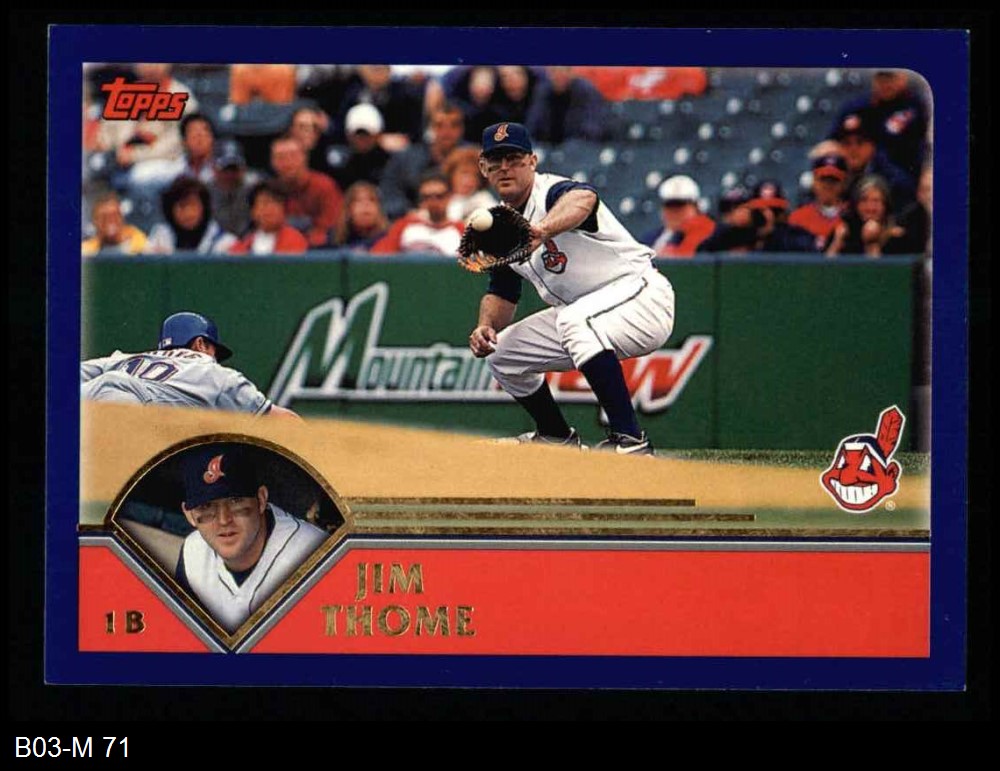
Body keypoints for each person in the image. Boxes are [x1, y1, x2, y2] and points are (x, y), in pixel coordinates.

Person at [468, 122, 675, 455]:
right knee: (503, 354)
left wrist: (543, 230)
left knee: (575, 320)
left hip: (641, 297)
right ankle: (556, 436)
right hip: (586, 316)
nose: (504, 167)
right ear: (483, 167)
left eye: (514, 158)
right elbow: (503, 292)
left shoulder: (550, 192)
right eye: (496, 159)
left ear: (532, 161)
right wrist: (486, 326)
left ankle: (631, 440)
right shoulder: (502, 226)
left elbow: (584, 198)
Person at [175, 443, 327, 632]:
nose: (224, 520)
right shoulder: (193, 554)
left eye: (235, 500)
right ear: (189, 515)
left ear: (261, 500)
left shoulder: (314, 554)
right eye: (206, 506)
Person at [81, 310, 299, 417]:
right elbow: (281, 420)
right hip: (130, 412)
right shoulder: (214, 374)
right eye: (215, 351)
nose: (215, 358)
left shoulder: (126, 359)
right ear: (200, 343)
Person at [829, 69, 928, 179]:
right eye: (881, 79)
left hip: (904, 172)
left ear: (903, 77)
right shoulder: (858, 107)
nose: (885, 84)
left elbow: (924, 145)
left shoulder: (916, 106)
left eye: (890, 79)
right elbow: (830, 143)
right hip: (865, 172)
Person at [379, 102, 467, 219]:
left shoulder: (473, 159)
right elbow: (390, 194)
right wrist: (408, 212)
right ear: (430, 128)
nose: (447, 131)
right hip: (412, 218)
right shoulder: (405, 159)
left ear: (462, 129)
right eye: (440, 125)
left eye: (454, 125)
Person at [697, 180, 817, 254]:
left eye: (775, 211)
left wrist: (771, 234)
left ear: (784, 213)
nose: (768, 215)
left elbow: (809, 255)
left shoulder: (795, 235)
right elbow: (703, 252)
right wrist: (732, 226)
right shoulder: (738, 234)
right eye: (761, 210)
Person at [270, 135, 344, 248]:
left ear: (304, 157)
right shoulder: (269, 191)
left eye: (293, 156)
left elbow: (331, 228)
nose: (287, 162)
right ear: (272, 162)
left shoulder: (324, 186)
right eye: (281, 157)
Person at [371, 173, 465, 256]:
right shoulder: (404, 225)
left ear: (450, 197)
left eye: (439, 196)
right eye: (427, 197)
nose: (433, 202)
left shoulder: (461, 231)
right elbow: (379, 257)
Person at [825, 175, 918, 257]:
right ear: (856, 204)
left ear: (885, 204)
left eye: (876, 201)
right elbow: (826, 267)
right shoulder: (844, 230)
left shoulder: (898, 237)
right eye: (864, 200)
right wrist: (837, 242)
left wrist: (875, 243)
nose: (870, 208)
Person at [145, 177, 237, 254]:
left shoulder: (225, 243)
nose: (188, 213)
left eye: (193, 205)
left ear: (204, 208)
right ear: (170, 210)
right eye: (182, 206)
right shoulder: (159, 238)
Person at [525, 66, 612, 143]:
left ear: (571, 72)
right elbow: (533, 124)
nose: (558, 75)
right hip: (548, 147)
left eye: (563, 71)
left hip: (579, 146)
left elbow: (593, 128)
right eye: (554, 71)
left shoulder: (586, 91)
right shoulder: (543, 91)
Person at [639, 175, 716, 257]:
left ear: (695, 207)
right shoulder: (650, 238)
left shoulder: (709, 236)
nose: (675, 212)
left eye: (680, 206)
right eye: (669, 206)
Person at [228, 180, 310, 255]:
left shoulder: (295, 240)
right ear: (253, 212)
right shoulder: (242, 246)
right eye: (265, 203)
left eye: (276, 203)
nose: (270, 208)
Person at [788, 153, 849, 252]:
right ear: (814, 182)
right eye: (823, 180)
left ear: (843, 184)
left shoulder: (852, 216)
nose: (828, 185)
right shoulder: (798, 218)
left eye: (834, 180)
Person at [81, 192, 148, 256]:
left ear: (122, 218)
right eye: (104, 217)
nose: (110, 221)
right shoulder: (85, 252)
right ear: (95, 221)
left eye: (115, 216)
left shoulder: (142, 245)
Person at [443, 146, 497, 222]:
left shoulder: (483, 200)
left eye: (475, 176)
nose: (469, 180)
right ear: (451, 175)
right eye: (464, 173)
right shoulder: (441, 198)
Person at [332, 181, 390, 250]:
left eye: (372, 200)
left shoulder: (391, 239)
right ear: (348, 210)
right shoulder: (334, 240)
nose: (366, 204)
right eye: (358, 200)